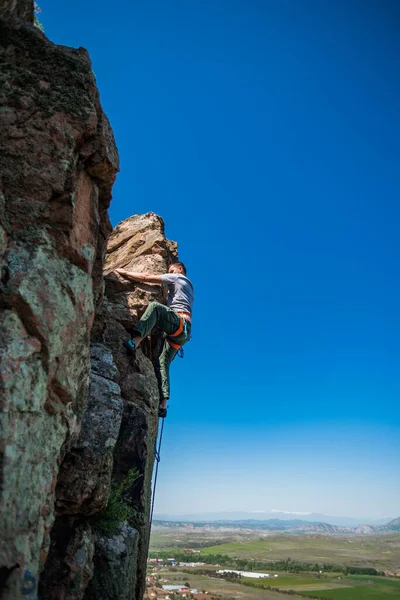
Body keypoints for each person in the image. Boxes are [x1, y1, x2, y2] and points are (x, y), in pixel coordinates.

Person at [115, 261, 194, 418]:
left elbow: (146, 277)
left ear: (180, 269)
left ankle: (135, 341)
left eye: (171, 270)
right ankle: (163, 405)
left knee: (155, 307)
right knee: (162, 361)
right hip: (183, 333)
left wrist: (124, 273)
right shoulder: (189, 287)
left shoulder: (177, 278)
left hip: (179, 323)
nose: (169, 272)